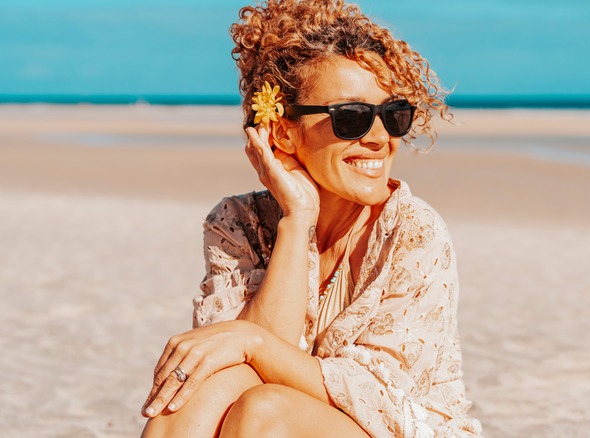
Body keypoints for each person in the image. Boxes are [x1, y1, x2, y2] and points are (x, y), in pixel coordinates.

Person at [140, 0, 482, 436]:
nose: (380, 138)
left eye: (393, 115)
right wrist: (297, 218)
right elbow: (226, 365)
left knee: (266, 410)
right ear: (283, 131)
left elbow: (381, 400)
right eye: (352, 117)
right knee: (193, 397)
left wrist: (253, 341)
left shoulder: (413, 231)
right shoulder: (238, 222)